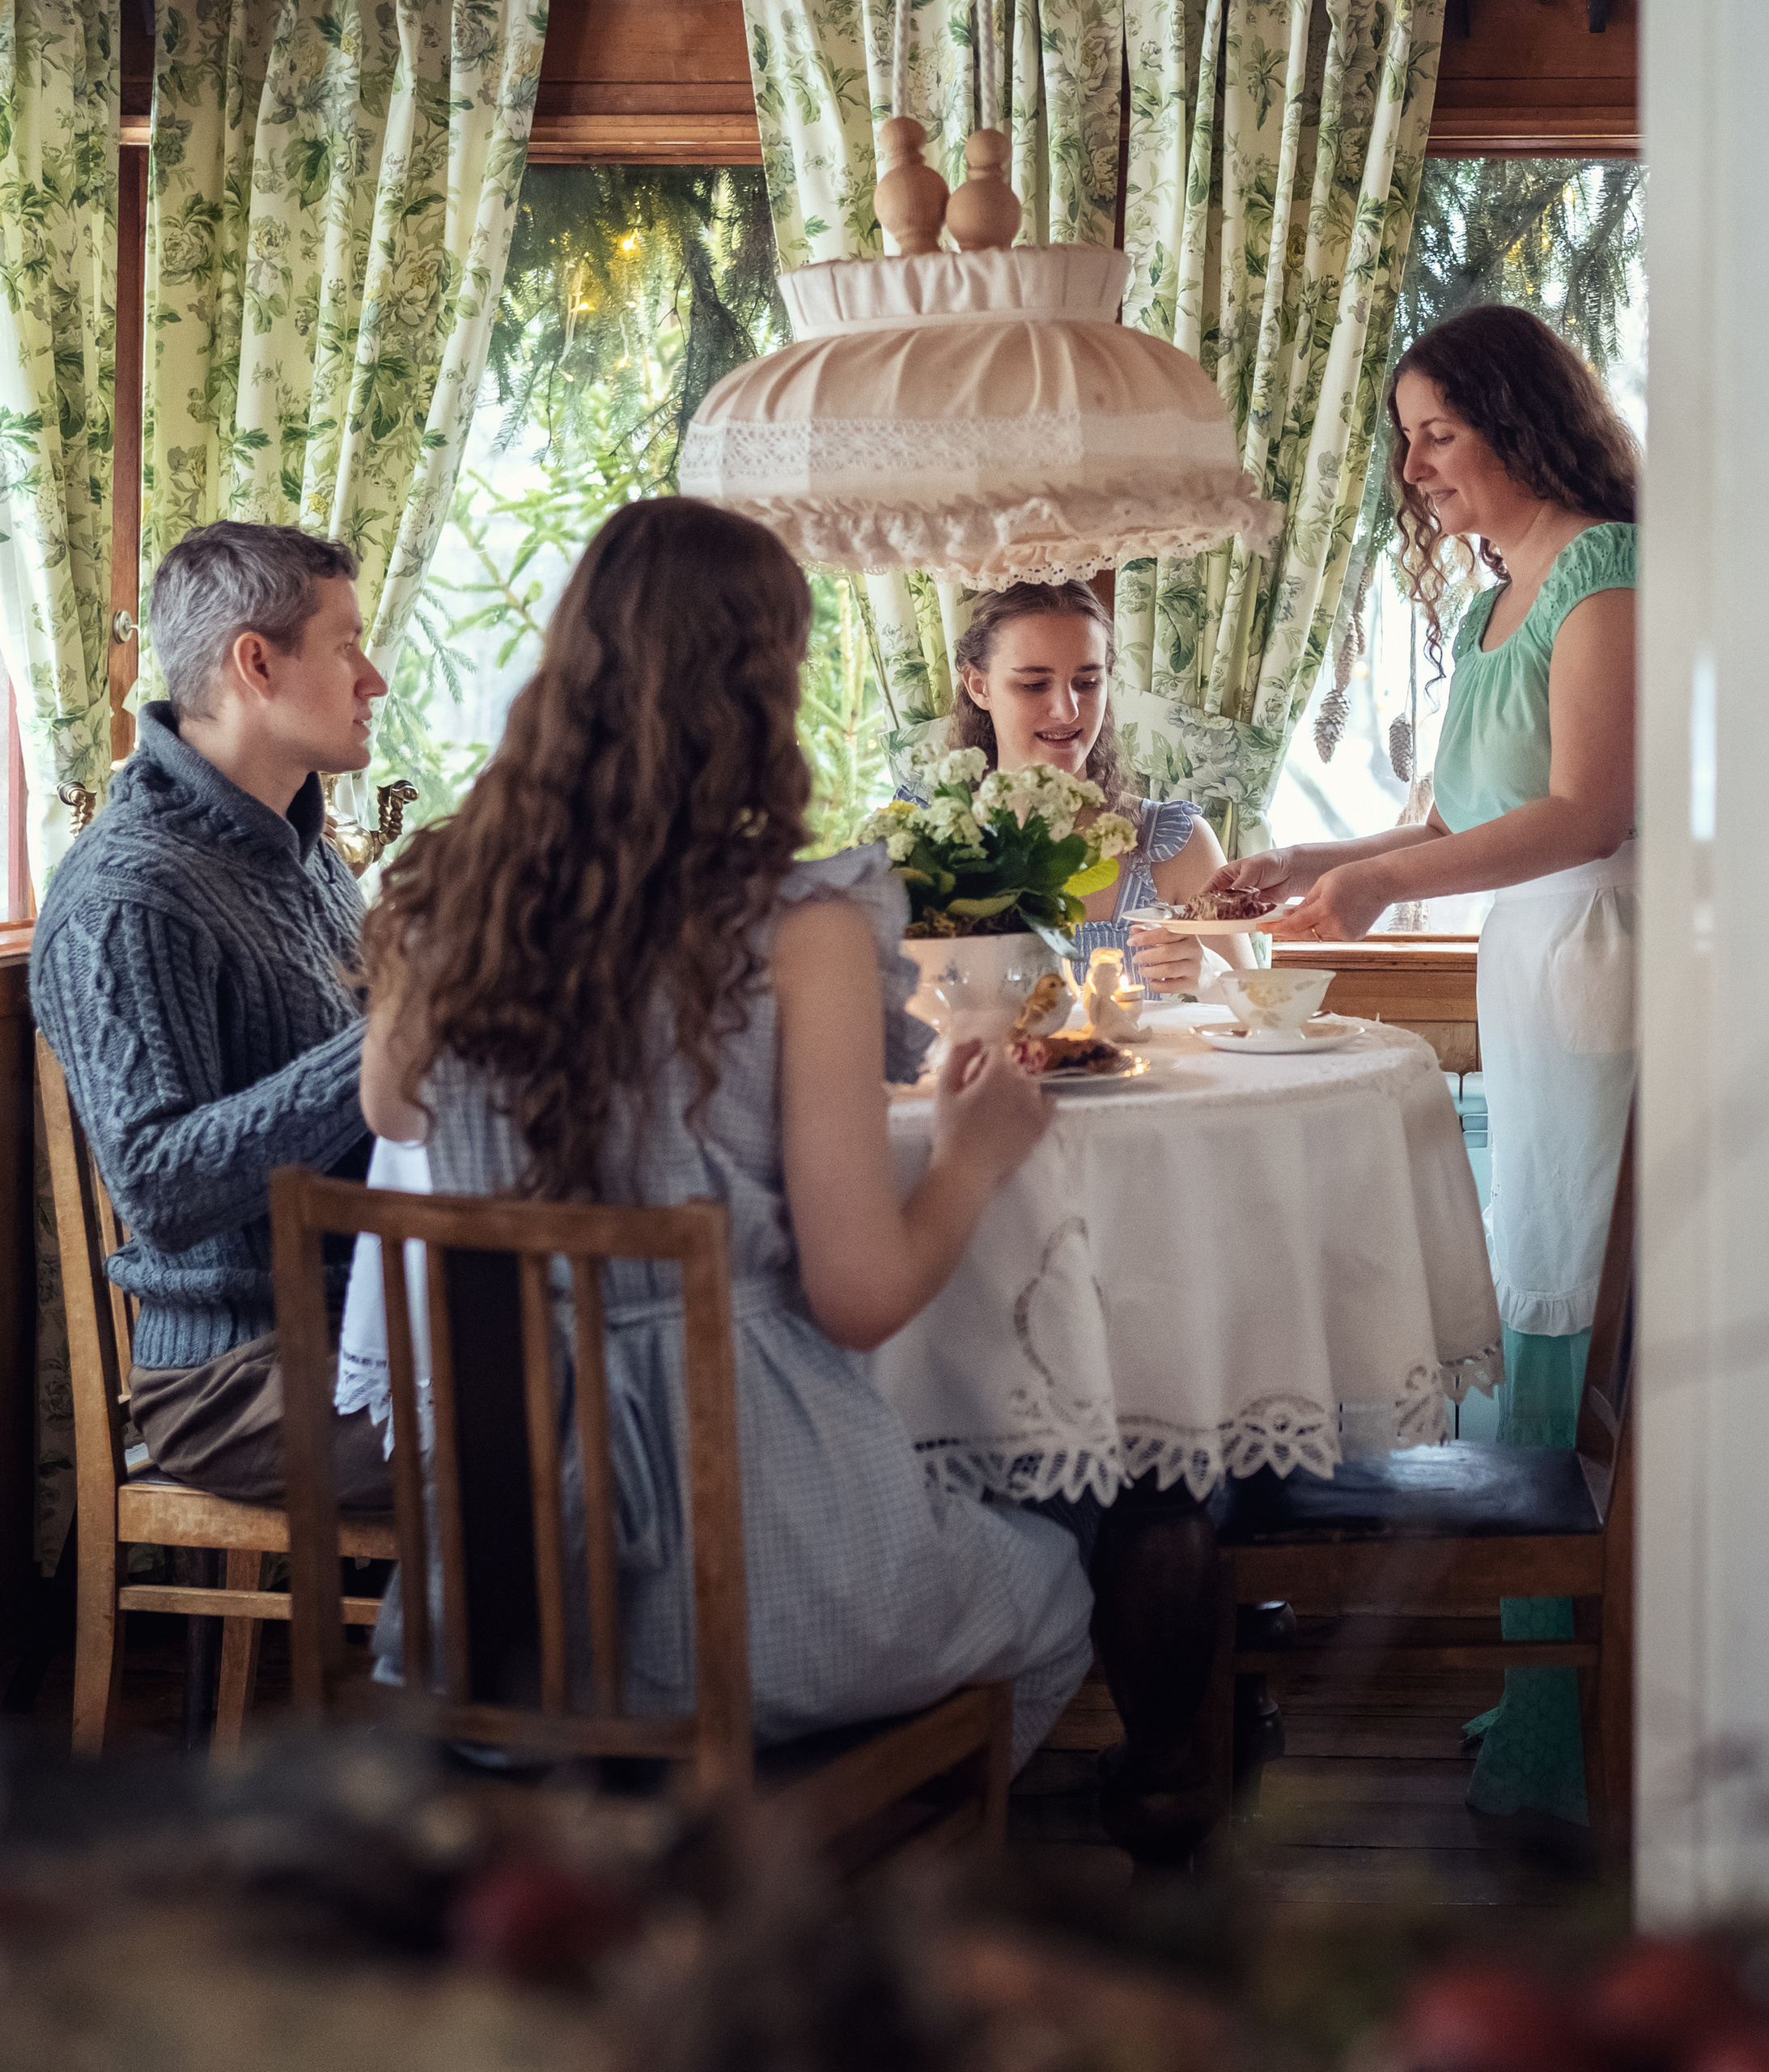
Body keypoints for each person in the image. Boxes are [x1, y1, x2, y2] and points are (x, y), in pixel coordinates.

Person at [357, 498, 1092, 1764]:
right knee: (1058, 1582)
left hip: (499, 1597)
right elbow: (859, 1297)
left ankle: (625, 1906)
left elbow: (391, 1110)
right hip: (757, 1569)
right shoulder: (794, 929)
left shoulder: (441, 902)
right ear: (761, 688)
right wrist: (971, 1159)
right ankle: (819, 1915)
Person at [1212, 304, 1640, 1826]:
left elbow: (1588, 813)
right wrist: (1319, 858)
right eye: (1407, 441)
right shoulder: (1493, 602)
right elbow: (1467, 817)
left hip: (1599, 957)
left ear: (1522, 424)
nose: (1417, 468)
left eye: (1437, 434)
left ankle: (1562, 1720)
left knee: (1560, 1292)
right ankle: (1533, 1684)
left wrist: (1388, 890)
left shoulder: (1608, 572)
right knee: (1534, 1277)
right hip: (1531, 961)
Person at [31, 521, 392, 1508]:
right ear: (255, 663)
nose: (375, 678)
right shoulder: (129, 892)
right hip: (234, 1381)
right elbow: (160, 1185)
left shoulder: (302, 847)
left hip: (363, 1318)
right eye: (347, 643)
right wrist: (393, 1046)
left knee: (656, 1354)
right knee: (613, 1423)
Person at [943, 582, 1253, 992]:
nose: (1067, 710)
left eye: (1087, 683)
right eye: (1034, 684)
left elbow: (1263, 1023)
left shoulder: (1178, 846)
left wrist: (1212, 978)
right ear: (979, 686)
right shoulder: (931, 850)